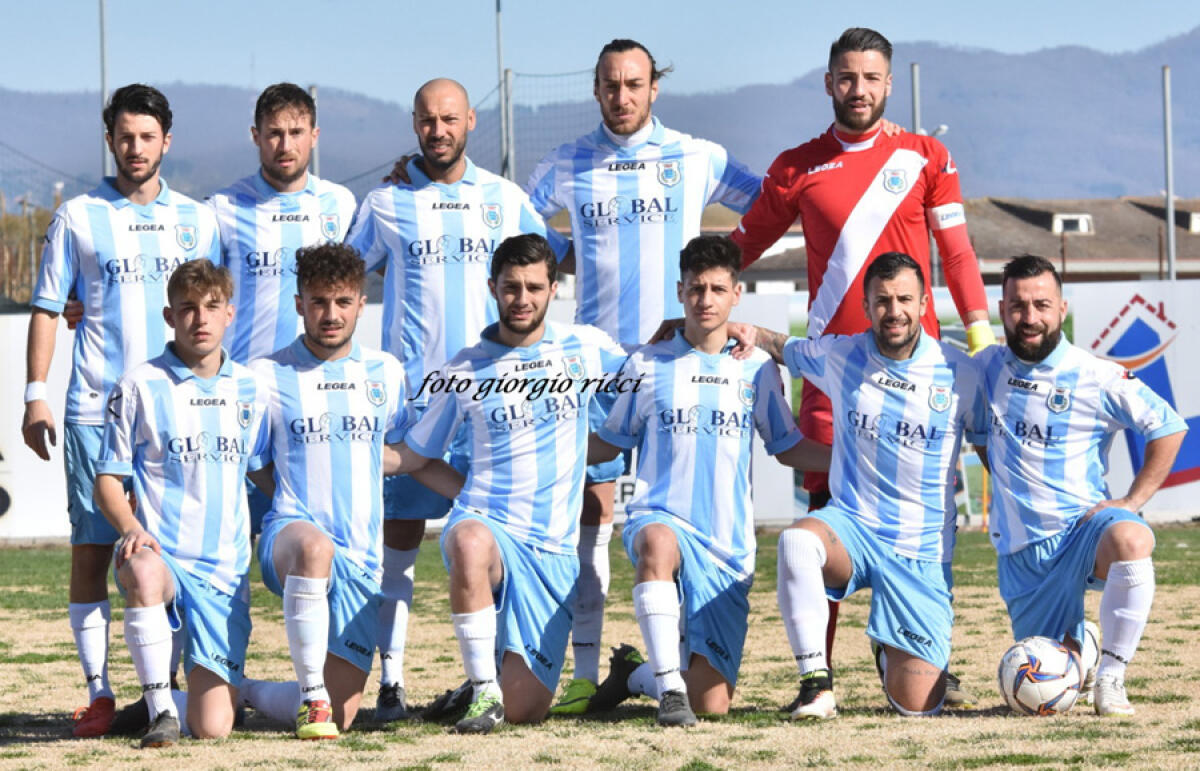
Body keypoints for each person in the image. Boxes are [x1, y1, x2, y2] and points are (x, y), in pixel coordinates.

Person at [729, 27, 994, 704]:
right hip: (832, 371)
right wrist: (699, 302)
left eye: (872, 78)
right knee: (822, 523)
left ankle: (902, 641)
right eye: (847, 78)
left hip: (918, 371)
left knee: (920, 514)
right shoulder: (796, 166)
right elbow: (743, 243)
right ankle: (819, 677)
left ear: (889, 83)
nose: (859, 90)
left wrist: (982, 335)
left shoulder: (926, 154)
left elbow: (958, 255)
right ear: (829, 83)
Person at [525, 39, 764, 714]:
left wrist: (718, 288)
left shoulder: (696, 154)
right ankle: (583, 671)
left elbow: (770, 204)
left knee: (682, 519)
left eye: (633, 84)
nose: (622, 97)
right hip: (603, 369)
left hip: (678, 365)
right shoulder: (568, 162)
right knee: (589, 518)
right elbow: (517, 224)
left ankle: (669, 661)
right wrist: (569, 255)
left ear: (654, 87)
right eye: (609, 85)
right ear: (595, 90)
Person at [346, 78, 566, 721]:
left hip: (495, 404)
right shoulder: (386, 201)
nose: (437, 130)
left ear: (470, 120)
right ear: (413, 124)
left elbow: (548, 269)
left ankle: (490, 681)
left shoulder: (504, 198)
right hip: (417, 406)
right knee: (400, 543)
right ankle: (392, 680)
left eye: (449, 119)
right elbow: (341, 277)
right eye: (426, 121)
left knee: (491, 538)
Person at [21, 83, 220, 737]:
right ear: (110, 140)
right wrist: (35, 393)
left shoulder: (199, 220)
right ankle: (101, 692)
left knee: (176, 550)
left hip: (176, 416)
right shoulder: (78, 216)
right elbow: (50, 307)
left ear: (167, 140)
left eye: (147, 136)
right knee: (92, 549)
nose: (135, 147)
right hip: (95, 413)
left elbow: (214, 314)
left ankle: (172, 687)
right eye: (124, 136)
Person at [585, 236, 830, 726]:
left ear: (736, 293)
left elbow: (786, 449)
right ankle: (669, 691)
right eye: (696, 288)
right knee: (656, 542)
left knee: (713, 702)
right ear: (680, 292)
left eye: (718, 288)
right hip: (660, 518)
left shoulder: (758, 369)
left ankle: (636, 674)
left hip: (727, 545)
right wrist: (544, 450)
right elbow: (611, 441)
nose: (706, 299)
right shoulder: (647, 364)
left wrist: (849, 458)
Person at [404, 233, 630, 734]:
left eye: (533, 287)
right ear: (492, 287)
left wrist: (697, 334)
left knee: (526, 710)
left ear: (554, 288)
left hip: (551, 552)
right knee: (467, 538)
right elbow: (418, 455)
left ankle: (487, 686)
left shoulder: (587, 350)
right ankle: (483, 689)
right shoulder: (464, 368)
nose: (521, 299)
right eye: (510, 287)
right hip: (488, 528)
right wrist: (352, 455)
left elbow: (651, 374)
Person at [237, 242, 461, 740]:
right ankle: (312, 694)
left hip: (360, 560)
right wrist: (287, 503)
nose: (330, 314)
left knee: (345, 714)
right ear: (300, 304)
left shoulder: (385, 372)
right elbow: (254, 462)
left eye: (342, 302)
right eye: (318, 302)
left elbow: (401, 455)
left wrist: (471, 499)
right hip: (292, 542)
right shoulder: (266, 375)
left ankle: (245, 691)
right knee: (315, 547)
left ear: (362, 303)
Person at [749, 252, 987, 718]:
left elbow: (988, 447)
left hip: (919, 551)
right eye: (881, 300)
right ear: (865, 305)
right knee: (797, 541)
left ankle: (888, 646)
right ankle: (816, 684)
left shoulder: (961, 372)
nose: (893, 311)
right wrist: (713, 327)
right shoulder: (841, 353)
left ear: (923, 304)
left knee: (918, 709)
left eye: (903, 299)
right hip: (853, 527)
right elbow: (779, 344)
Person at [973, 255, 1186, 716]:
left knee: (1131, 537)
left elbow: (1168, 426)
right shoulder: (985, 369)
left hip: (1083, 530)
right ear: (1001, 308)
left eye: (1042, 305)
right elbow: (980, 439)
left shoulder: (1095, 374)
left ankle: (1112, 675)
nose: (1030, 318)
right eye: (1017, 306)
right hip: (1023, 552)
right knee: (1052, 689)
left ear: (1062, 309)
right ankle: (1085, 648)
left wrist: (1133, 500)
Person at [94, 260, 268, 747]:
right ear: (170, 317)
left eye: (212, 307)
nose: (201, 319)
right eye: (188, 309)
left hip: (225, 571)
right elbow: (107, 480)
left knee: (213, 729)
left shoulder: (249, 388)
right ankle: (161, 710)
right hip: (163, 555)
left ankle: (234, 692)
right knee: (143, 570)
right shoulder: (139, 385)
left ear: (230, 313)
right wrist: (131, 527)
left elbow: (261, 469)